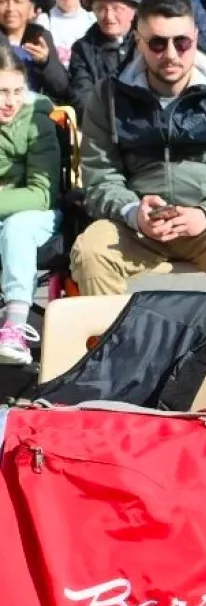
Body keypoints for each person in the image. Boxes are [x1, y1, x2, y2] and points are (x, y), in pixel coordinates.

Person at [72, 0, 206, 315]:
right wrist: (132, 212)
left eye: (181, 43)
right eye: (156, 43)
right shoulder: (108, 97)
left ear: (195, 37)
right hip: (138, 225)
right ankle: (114, 358)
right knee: (90, 252)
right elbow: (100, 179)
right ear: (138, 41)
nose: (170, 54)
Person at [0, 45, 57, 366]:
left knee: (17, 227)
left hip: (40, 213)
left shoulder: (37, 122)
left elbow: (42, 193)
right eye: (2, 92)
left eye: (17, 91)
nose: (10, 101)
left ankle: (16, 327)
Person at [66, 0, 135, 119]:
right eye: (101, 9)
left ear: (133, 11)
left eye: (116, 8)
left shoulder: (149, 42)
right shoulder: (83, 49)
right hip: (103, 126)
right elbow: (82, 95)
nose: (109, 16)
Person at [1, 0, 67, 101]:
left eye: (17, 2)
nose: (10, 8)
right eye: (2, 2)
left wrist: (45, 63)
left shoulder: (41, 37)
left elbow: (61, 88)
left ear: (31, 10)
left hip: (36, 109)